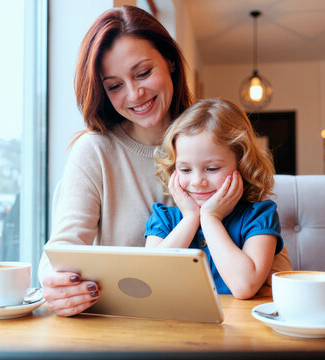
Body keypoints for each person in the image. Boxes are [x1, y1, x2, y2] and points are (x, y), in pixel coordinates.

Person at [40, 6, 290, 316]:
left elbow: (270, 259)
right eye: (115, 85)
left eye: (143, 73)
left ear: (170, 61)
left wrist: (265, 281)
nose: (135, 94)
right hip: (128, 322)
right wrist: (59, 286)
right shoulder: (93, 151)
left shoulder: (211, 133)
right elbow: (60, 256)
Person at [145, 98, 285, 299]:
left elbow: (244, 286)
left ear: (242, 165)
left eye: (211, 169)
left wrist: (210, 219)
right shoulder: (164, 218)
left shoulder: (260, 216)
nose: (197, 181)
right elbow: (149, 278)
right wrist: (190, 219)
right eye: (185, 169)